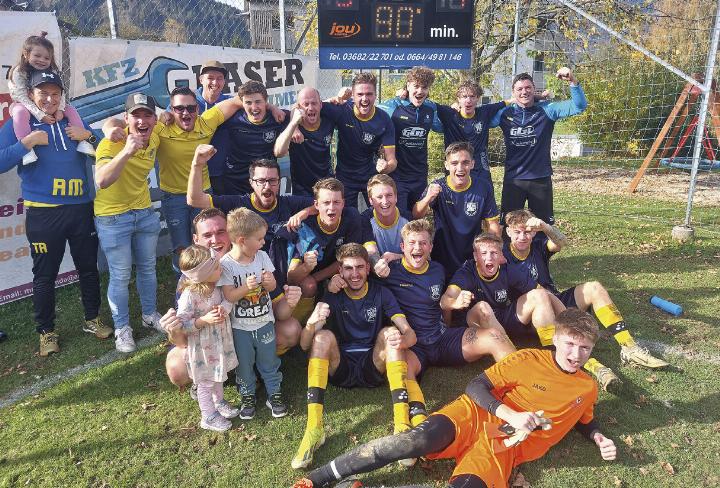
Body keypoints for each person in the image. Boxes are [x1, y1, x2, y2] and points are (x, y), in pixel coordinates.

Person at [294, 308, 617, 488]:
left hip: (503, 446)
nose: (576, 354)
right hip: (474, 414)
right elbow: (476, 387)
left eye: (584, 347)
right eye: (570, 345)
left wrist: (598, 435)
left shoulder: (586, 387)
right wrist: (512, 414)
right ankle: (316, 479)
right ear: (556, 340)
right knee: (408, 443)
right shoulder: (528, 359)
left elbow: (585, 419)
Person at [0, 69, 109, 356]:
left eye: (55, 94)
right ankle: (46, 332)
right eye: (43, 93)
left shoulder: (71, 118)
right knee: (45, 274)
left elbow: (104, 148)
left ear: (61, 96)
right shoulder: (20, 122)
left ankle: (92, 318)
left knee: (88, 267)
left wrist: (90, 136)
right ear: (32, 96)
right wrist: (25, 144)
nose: (49, 99)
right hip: (44, 214)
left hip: (81, 208)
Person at [292, 243, 421, 470]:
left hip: (372, 366)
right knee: (322, 337)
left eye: (360, 267)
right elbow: (304, 344)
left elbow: (409, 333)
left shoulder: (382, 293)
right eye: (348, 269)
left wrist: (403, 341)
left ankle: (402, 426)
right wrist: (311, 323)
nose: (355, 274)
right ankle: (314, 428)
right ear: (339, 272)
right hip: (341, 368)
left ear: (368, 269)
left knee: (390, 333)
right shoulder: (332, 294)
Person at [443, 232, 620, 390]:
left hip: (502, 317)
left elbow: (544, 293)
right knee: (483, 308)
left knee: (539, 295)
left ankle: (556, 353)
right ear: (475, 255)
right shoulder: (466, 272)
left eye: (494, 253)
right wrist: (455, 303)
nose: (488, 258)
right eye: (483, 253)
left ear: (501, 256)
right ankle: (522, 370)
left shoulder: (508, 269)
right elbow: (445, 301)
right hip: (474, 322)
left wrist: (571, 323)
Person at [503, 209, 669, 371]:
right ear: (508, 231)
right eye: (517, 232)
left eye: (527, 232)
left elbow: (561, 242)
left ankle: (630, 348)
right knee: (541, 297)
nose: (522, 237)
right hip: (533, 315)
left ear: (533, 233)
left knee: (594, 287)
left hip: (556, 300)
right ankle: (569, 359)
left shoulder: (538, 246)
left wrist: (545, 227)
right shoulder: (502, 256)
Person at [102, 86, 244, 272]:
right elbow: (120, 121)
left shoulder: (206, 122)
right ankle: (184, 292)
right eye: (179, 109)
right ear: (171, 110)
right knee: (182, 248)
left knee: (209, 244)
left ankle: (213, 285)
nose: (185, 112)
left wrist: (273, 109)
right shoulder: (159, 128)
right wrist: (109, 129)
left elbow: (238, 100)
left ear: (198, 109)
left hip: (202, 194)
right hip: (174, 198)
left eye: (190, 108)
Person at [161, 208, 302, 391]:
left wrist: (289, 301)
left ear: (232, 234)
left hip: (249, 332)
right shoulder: (191, 281)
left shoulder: (256, 259)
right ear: (196, 240)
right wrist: (174, 330)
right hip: (211, 341)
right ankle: (209, 379)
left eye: (221, 232)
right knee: (176, 367)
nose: (215, 240)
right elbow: (183, 339)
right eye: (207, 235)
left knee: (290, 329)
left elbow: (280, 314)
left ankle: (253, 367)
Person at [381, 220, 516, 380]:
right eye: (412, 243)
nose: (417, 247)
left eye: (423, 243)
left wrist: (453, 307)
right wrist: (386, 259)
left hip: (443, 339)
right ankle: (413, 405)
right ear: (403, 247)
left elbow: (445, 301)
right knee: (402, 372)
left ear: (430, 247)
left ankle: (523, 376)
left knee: (494, 336)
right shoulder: (389, 273)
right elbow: (361, 280)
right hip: (413, 346)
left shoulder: (438, 270)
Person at [94, 93, 163, 353]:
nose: (142, 121)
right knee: (120, 275)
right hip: (112, 218)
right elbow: (101, 181)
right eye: (136, 115)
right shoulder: (112, 143)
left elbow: (168, 119)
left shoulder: (155, 134)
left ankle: (149, 314)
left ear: (155, 119)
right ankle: (122, 328)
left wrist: (166, 116)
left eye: (147, 115)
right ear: (127, 119)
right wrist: (126, 151)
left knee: (148, 268)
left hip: (144, 213)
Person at [218, 208, 290, 419]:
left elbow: (272, 285)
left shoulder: (262, 257)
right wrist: (245, 289)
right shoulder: (226, 265)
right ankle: (247, 394)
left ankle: (274, 393)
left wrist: (269, 283)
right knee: (244, 364)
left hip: (264, 322)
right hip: (240, 328)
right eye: (259, 239)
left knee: (269, 361)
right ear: (242, 240)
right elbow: (230, 296)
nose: (263, 242)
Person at [490, 67, 587, 225]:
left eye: (528, 88)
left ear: (534, 89)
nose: (524, 92)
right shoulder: (505, 113)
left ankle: (541, 250)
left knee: (543, 229)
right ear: (513, 93)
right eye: (519, 89)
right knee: (509, 227)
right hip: (514, 180)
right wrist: (458, 109)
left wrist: (572, 81)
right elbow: (478, 120)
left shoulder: (548, 110)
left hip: (540, 179)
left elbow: (579, 106)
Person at [286, 178, 376, 318]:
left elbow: (349, 258)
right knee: (308, 284)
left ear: (343, 203)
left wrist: (319, 277)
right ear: (316, 205)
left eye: (336, 202)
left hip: (336, 271)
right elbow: (291, 277)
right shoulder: (305, 227)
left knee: (354, 272)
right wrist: (306, 268)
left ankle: (348, 322)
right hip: (309, 277)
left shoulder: (351, 217)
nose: (331, 208)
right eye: (326, 203)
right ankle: (303, 322)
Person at [413, 142, 500, 278]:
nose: (460, 168)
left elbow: (492, 225)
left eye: (465, 162)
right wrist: (428, 197)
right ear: (447, 165)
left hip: (473, 258)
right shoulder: (438, 186)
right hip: (442, 258)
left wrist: (494, 252)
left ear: (472, 164)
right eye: (454, 163)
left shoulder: (483, 187)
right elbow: (416, 214)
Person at [176, 245, 239, 432]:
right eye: (217, 267)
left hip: (219, 343)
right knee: (205, 382)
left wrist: (224, 308)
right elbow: (182, 324)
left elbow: (229, 300)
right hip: (203, 348)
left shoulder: (217, 285)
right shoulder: (189, 295)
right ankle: (208, 416)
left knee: (218, 375)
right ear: (203, 274)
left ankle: (218, 402)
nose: (221, 269)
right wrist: (203, 320)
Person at [8, 32, 94, 166]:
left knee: (70, 109)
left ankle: (82, 143)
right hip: (23, 104)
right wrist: (40, 115)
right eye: (37, 55)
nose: (42, 60)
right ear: (26, 54)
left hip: (43, 107)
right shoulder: (19, 71)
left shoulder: (51, 71)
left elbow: (61, 93)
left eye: (47, 57)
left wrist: (60, 109)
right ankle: (26, 150)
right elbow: (22, 97)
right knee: (20, 111)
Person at [321, 73, 397, 208]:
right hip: (345, 178)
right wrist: (336, 98)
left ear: (375, 95)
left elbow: (392, 161)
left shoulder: (384, 119)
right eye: (360, 94)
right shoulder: (343, 110)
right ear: (353, 96)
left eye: (369, 94)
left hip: (371, 177)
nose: (364, 99)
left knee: (379, 214)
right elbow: (310, 106)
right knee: (348, 218)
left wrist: (386, 167)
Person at [378, 67, 443, 213]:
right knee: (400, 217)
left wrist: (457, 109)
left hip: (420, 175)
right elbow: (368, 112)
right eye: (416, 86)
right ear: (407, 86)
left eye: (424, 87)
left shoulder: (430, 109)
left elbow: (443, 127)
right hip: (398, 176)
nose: (420, 91)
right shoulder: (393, 106)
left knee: (417, 217)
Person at [221, 80, 289, 195]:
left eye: (258, 102)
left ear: (266, 101)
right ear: (242, 103)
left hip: (265, 182)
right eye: (248, 102)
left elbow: (301, 111)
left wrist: (295, 127)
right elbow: (208, 117)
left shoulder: (277, 118)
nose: (254, 107)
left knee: (267, 213)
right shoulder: (233, 118)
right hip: (236, 181)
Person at [435, 80, 508, 186]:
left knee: (484, 198)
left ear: (478, 98)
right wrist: (404, 91)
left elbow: (510, 102)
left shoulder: (485, 112)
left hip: (480, 169)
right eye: (464, 97)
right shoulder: (449, 114)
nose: (468, 100)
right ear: (458, 99)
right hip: (456, 168)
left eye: (472, 96)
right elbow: (427, 103)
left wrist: (539, 97)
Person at [274, 87, 336, 197]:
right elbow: (278, 152)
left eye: (314, 103)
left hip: (327, 184)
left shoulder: (329, 118)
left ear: (320, 104)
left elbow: (337, 102)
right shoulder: (290, 123)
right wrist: (293, 125)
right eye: (306, 104)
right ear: (299, 107)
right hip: (301, 189)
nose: (310, 108)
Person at [189, 60, 232, 195]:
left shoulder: (230, 103)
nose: (215, 82)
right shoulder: (188, 102)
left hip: (222, 173)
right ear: (201, 79)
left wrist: (273, 108)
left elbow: (254, 103)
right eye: (210, 78)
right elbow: (167, 116)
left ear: (224, 82)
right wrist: (165, 115)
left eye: (219, 78)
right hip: (194, 172)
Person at [361, 174, 409, 262]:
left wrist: (396, 256)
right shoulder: (365, 219)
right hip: (378, 271)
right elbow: (371, 251)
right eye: (379, 197)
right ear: (371, 200)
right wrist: (379, 267)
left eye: (389, 195)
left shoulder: (407, 219)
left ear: (396, 197)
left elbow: (419, 255)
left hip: (405, 270)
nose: (385, 201)